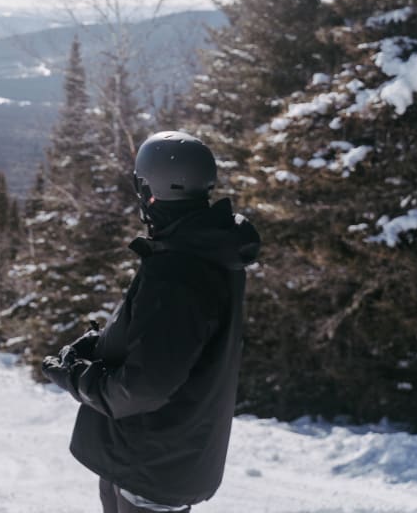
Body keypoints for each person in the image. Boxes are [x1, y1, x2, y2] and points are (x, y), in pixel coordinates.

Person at [41, 130, 260, 513]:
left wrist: (77, 379)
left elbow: (144, 387)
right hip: (151, 458)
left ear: (151, 189)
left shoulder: (180, 271)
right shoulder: (200, 250)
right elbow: (170, 341)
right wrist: (101, 343)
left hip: (153, 464)